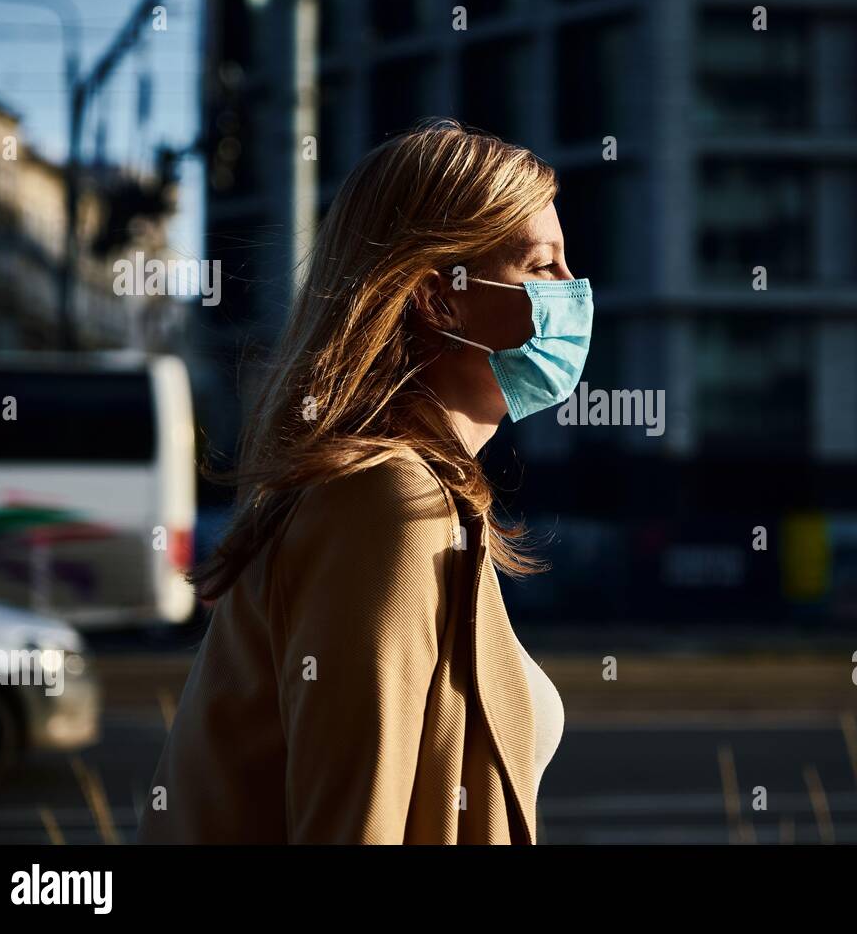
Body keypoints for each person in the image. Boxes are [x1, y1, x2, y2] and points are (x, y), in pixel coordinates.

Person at [137, 119, 591, 844]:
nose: (574, 291)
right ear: (439, 299)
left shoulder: (414, 493)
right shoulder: (384, 502)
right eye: (541, 267)